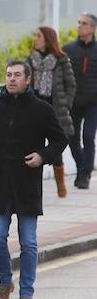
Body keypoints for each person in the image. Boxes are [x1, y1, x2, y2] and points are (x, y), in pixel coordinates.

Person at [0, 61, 67, 299]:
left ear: (28, 79)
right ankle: (4, 282)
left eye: (17, 75)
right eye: (8, 75)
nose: (12, 79)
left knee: (29, 243)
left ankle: (27, 295)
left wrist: (42, 156)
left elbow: (59, 139)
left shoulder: (42, 109)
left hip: (27, 184)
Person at [27, 26, 76, 197]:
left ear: (47, 39)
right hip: (35, 108)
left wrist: (65, 105)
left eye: (38, 35)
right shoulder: (31, 59)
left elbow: (71, 85)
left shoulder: (61, 59)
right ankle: (32, 186)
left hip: (54, 110)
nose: (35, 38)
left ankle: (60, 185)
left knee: (56, 146)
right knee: (32, 145)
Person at [62, 13, 97, 189]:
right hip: (73, 102)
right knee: (72, 137)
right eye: (79, 23)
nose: (80, 26)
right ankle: (81, 168)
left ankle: (85, 175)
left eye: (84, 24)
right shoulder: (68, 50)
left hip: (93, 103)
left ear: (93, 28)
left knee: (89, 136)